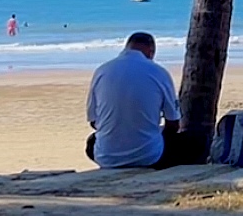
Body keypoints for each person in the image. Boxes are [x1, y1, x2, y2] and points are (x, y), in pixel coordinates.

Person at [85, 33, 200, 170]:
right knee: (196, 142)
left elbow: (94, 121)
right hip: (149, 157)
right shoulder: (159, 72)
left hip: (107, 157)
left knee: (92, 141)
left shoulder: (102, 71)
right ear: (151, 51)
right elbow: (173, 124)